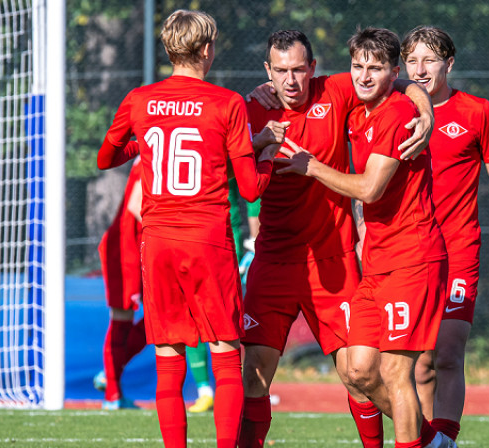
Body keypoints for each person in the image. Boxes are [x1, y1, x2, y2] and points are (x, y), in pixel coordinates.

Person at [239, 30, 435, 448]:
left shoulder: (336, 88)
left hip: (334, 257)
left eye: (298, 70)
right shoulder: (250, 109)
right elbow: (224, 165)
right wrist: (255, 143)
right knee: (253, 372)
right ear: (267, 72)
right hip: (273, 260)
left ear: (313, 69)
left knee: (358, 373)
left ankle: (413, 440)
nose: (291, 81)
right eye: (281, 71)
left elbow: (397, 80)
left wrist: (427, 113)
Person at [97, 9, 279, 448]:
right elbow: (252, 189)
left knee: (168, 356)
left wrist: (143, 142)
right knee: (223, 352)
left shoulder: (140, 100)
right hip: (208, 240)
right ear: (206, 49)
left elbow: (106, 157)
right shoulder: (226, 102)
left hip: (157, 241)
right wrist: (269, 150)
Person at [401, 26, 489, 447]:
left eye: (430, 60)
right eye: (412, 61)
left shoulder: (476, 111)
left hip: (459, 248)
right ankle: (425, 438)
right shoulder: (392, 110)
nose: (420, 70)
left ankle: (446, 439)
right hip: (408, 251)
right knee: (420, 364)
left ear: (449, 64)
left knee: (448, 350)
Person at [93, 158, 147, 410]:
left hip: (138, 247)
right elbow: (137, 204)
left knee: (164, 315)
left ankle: (111, 380)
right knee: (122, 318)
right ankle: (112, 394)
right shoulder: (154, 152)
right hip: (125, 249)